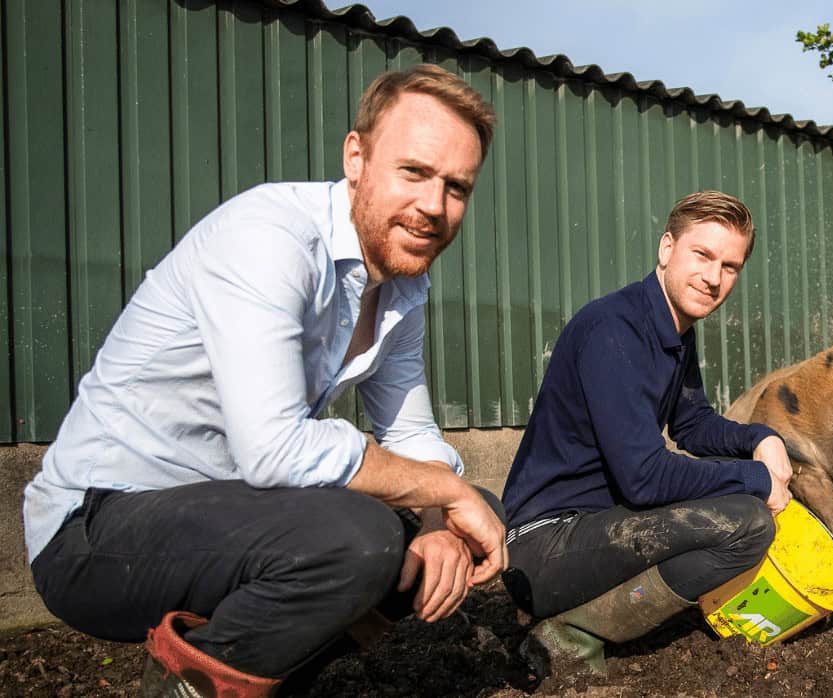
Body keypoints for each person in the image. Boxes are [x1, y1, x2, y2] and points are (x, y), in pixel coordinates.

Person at [22, 64, 508, 697]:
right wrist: (438, 489)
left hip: (230, 519)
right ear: (355, 157)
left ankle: (308, 657)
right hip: (96, 529)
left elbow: (411, 429)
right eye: (413, 172)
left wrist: (443, 516)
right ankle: (189, 687)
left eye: (456, 187)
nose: (433, 206)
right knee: (357, 541)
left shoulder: (403, 283)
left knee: (474, 514)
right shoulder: (271, 238)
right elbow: (273, 446)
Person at [500, 190, 795, 678]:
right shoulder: (614, 329)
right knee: (748, 522)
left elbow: (693, 424)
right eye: (702, 255)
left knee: (733, 489)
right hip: (542, 546)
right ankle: (572, 633)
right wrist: (757, 479)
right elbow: (644, 478)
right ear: (666, 249)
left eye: (731, 265)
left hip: (597, 525)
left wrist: (761, 438)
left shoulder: (674, 329)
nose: (714, 277)